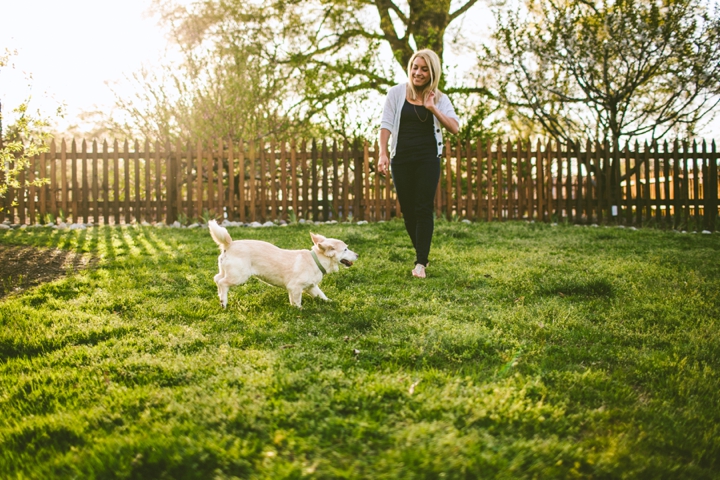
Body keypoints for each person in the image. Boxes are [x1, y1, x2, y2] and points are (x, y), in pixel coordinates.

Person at [377, 49, 460, 278]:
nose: (418, 73)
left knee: (423, 207)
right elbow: (385, 125)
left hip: (427, 159)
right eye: (415, 67)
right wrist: (383, 153)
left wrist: (432, 107)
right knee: (408, 210)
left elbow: (454, 127)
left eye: (424, 69)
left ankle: (420, 262)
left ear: (432, 72)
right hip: (401, 158)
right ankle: (422, 252)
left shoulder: (440, 99)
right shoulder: (395, 93)